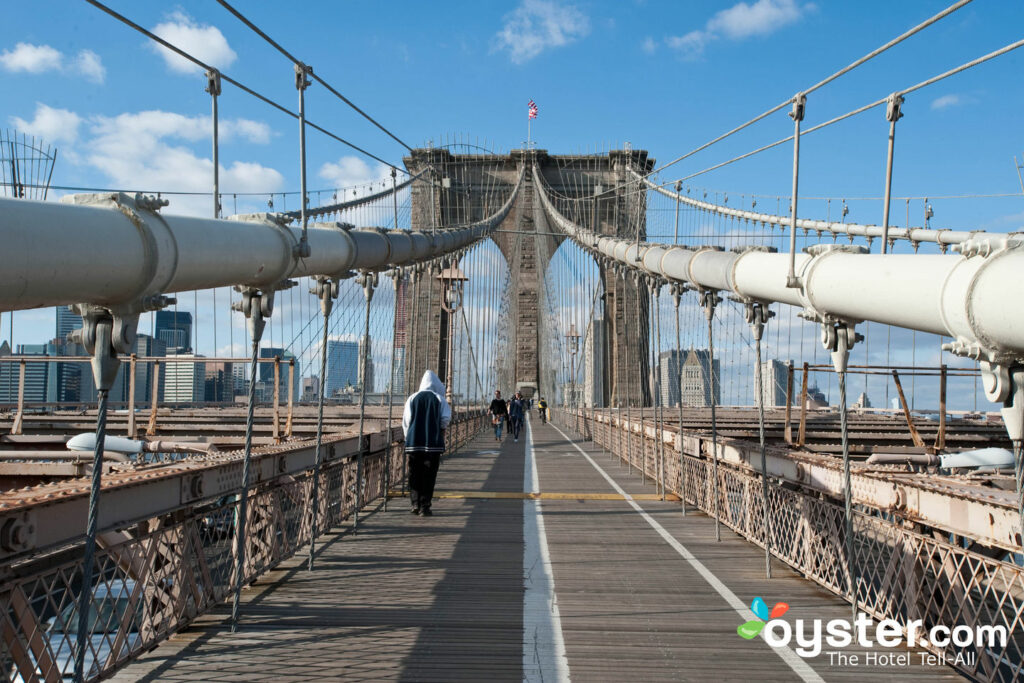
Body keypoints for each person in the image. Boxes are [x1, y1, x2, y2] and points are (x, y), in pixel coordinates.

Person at [402, 370, 451, 516]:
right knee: (429, 475)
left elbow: (406, 421)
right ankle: (425, 506)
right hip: (433, 444)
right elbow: (445, 419)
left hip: (414, 443)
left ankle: (415, 504)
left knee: (414, 473)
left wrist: (408, 438)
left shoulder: (412, 398)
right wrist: (440, 429)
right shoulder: (439, 399)